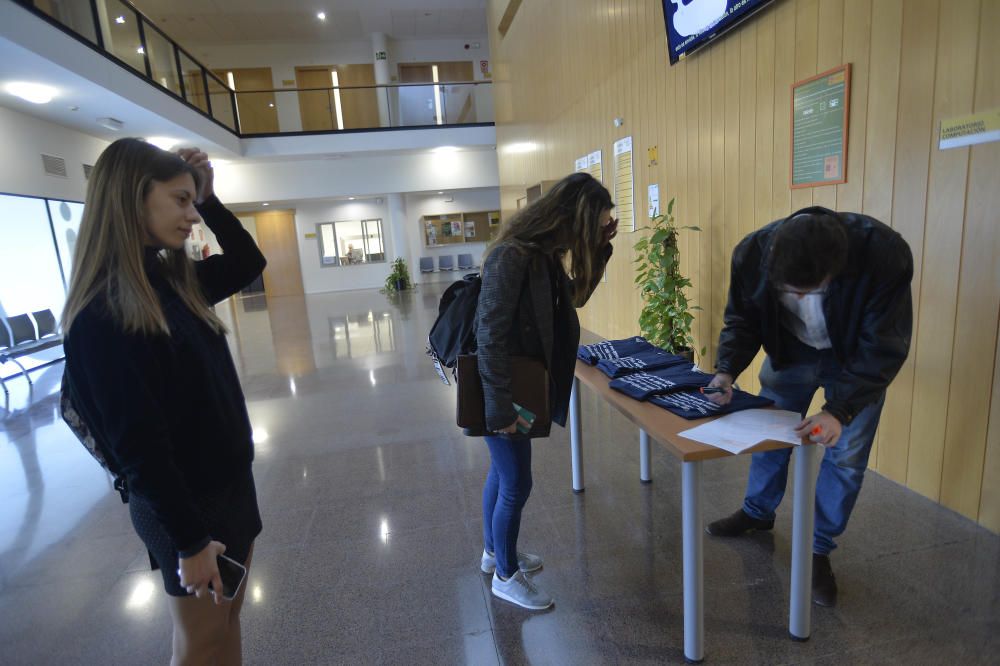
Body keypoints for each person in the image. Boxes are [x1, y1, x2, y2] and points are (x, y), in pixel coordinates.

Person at [62, 138, 267, 664]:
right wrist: (190, 541)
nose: (192, 214)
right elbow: (139, 447)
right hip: (186, 506)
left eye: (192, 201)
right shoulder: (104, 314)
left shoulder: (172, 284)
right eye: (180, 200)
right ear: (134, 199)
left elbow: (247, 261)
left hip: (227, 486)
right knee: (200, 640)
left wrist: (213, 197)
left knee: (225, 624)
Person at [703, 206, 913, 607]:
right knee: (771, 435)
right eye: (789, 291)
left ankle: (816, 550)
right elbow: (742, 319)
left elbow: (883, 345)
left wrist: (840, 410)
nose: (798, 298)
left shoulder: (883, 254)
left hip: (854, 362)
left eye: (809, 291)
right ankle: (757, 512)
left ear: (838, 269)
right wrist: (726, 371)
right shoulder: (751, 253)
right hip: (790, 356)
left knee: (846, 456)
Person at [476, 172, 618, 610]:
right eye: (595, 224)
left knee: (502, 475)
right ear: (575, 215)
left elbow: (574, 299)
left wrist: (601, 250)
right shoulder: (511, 255)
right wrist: (499, 409)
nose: (596, 230)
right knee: (517, 482)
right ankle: (505, 575)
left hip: (518, 380)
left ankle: (494, 553)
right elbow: (489, 334)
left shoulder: (542, 253)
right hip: (504, 385)